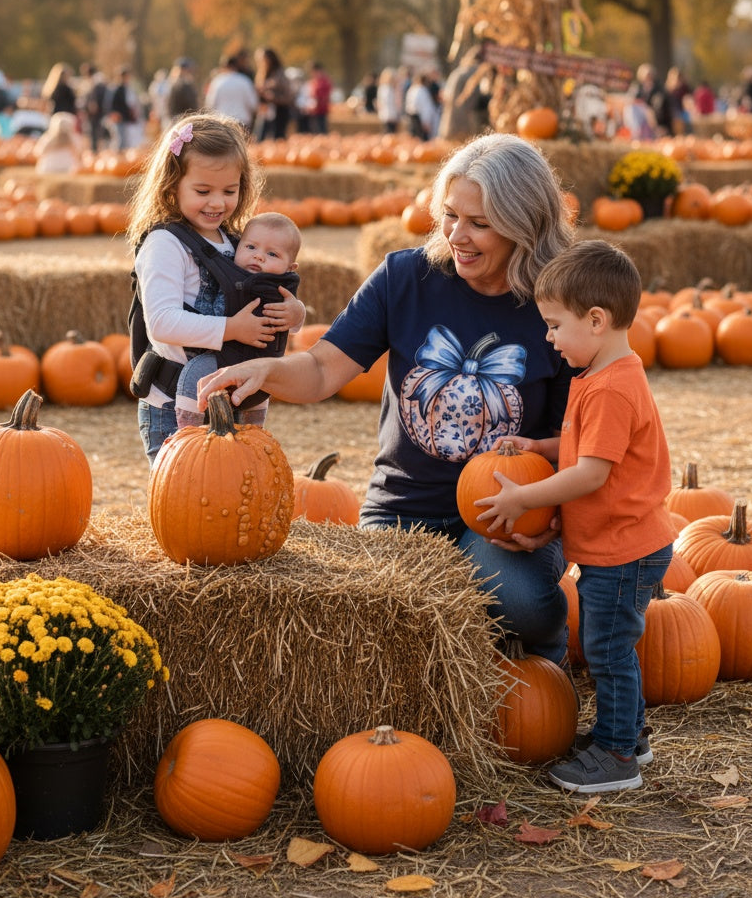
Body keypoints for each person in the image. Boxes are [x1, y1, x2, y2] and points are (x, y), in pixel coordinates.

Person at [197, 133, 577, 661]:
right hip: (404, 509)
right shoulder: (406, 277)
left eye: (480, 224)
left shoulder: (557, 303)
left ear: (525, 224)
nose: (457, 235)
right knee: (374, 626)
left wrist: (550, 518)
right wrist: (266, 370)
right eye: (449, 215)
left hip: (505, 511)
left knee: (519, 600)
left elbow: (572, 439)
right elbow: (323, 368)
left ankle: (543, 645)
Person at [475, 239, 676, 794]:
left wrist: (524, 499)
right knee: (613, 644)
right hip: (617, 544)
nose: (548, 337)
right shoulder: (602, 376)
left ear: (596, 319)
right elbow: (584, 448)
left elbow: (591, 474)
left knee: (608, 650)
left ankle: (617, 758)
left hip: (625, 548)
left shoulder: (612, 387)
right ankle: (627, 734)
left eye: (554, 325)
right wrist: (539, 447)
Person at [126, 112, 306, 464]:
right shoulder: (165, 244)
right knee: (185, 493)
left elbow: (269, 299)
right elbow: (161, 322)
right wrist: (232, 329)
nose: (217, 203)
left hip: (230, 397)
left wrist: (295, 315)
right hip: (174, 403)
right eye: (203, 191)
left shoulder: (239, 243)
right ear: (171, 186)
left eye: (230, 191)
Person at [174, 211, 301, 429]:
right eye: (250, 247)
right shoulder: (230, 276)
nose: (258, 256)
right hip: (226, 356)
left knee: (257, 398)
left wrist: (298, 313)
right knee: (196, 373)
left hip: (263, 364)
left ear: (290, 268)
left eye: (272, 254)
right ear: (236, 248)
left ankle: (254, 433)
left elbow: (293, 325)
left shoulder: (283, 288)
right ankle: (187, 430)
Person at [204, 50, 259, 133]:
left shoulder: (217, 82)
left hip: (222, 121)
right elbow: (253, 104)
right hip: (242, 121)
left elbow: (210, 103)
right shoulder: (245, 81)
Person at [253, 48, 293, 142]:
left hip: (279, 111)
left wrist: (273, 97)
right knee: (260, 136)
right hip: (265, 110)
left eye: (263, 60)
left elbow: (288, 96)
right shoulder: (261, 73)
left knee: (278, 138)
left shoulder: (279, 74)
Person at [109, 66, 144, 149]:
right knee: (121, 140)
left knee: (128, 141)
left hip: (127, 118)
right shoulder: (116, 89)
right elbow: (112, 104)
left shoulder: (128, 88)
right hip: (120, 118)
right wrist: (115, 113)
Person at [165, 59, 200, 130]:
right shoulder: (183, 84)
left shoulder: (173, 82)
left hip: (177, 119)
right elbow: (191, 105)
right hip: (182, 120)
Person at [404, 71, 438, 139]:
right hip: (420, 118)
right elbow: (426, 108)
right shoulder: (423, 91)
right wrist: (426, 121)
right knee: (422, 138)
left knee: (414, 137)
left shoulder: (411, 89)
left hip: (412, 116)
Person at [301, 62, 332, 134]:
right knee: (314, 129)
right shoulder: (314, 81)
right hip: (313, 110)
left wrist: (315, 104)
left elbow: (323, 96)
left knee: (321, 129)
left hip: (320, 109)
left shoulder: (324, 81)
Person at [375, 67, 402, 134]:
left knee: (392, 131)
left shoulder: (393, 88)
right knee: (388, 131)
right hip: (387, 113)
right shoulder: (384, 88)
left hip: (393, 113)